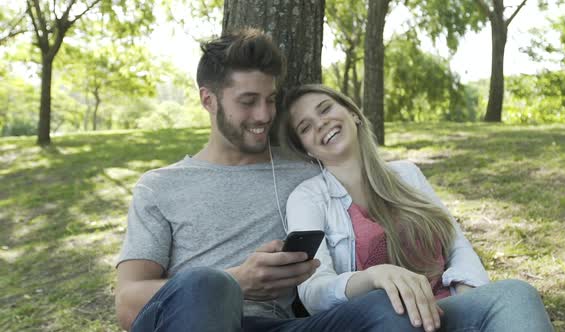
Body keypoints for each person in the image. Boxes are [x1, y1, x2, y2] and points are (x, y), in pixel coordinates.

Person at [115, 28, 445, 332]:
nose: (263, 115)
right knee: (204, 284)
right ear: (208, 100)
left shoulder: (309, 172)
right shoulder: (159, 186)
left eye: (270, 99)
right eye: (248, 102)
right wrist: (238, 281)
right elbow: (127, 303)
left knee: (388, 309)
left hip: (281, 326)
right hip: (196, 319)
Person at [280, 84, 555, 332]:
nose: (320, 124)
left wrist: (469, 294)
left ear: (353, 113)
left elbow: (456, 244)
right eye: (305, 127)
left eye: (325, 109)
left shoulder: (407, 174)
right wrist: (373, 277)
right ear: (307, 151)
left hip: (448, 309)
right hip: (386, 320)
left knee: (517, 294)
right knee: (395, 315)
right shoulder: (307, 198)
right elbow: (313, 290)